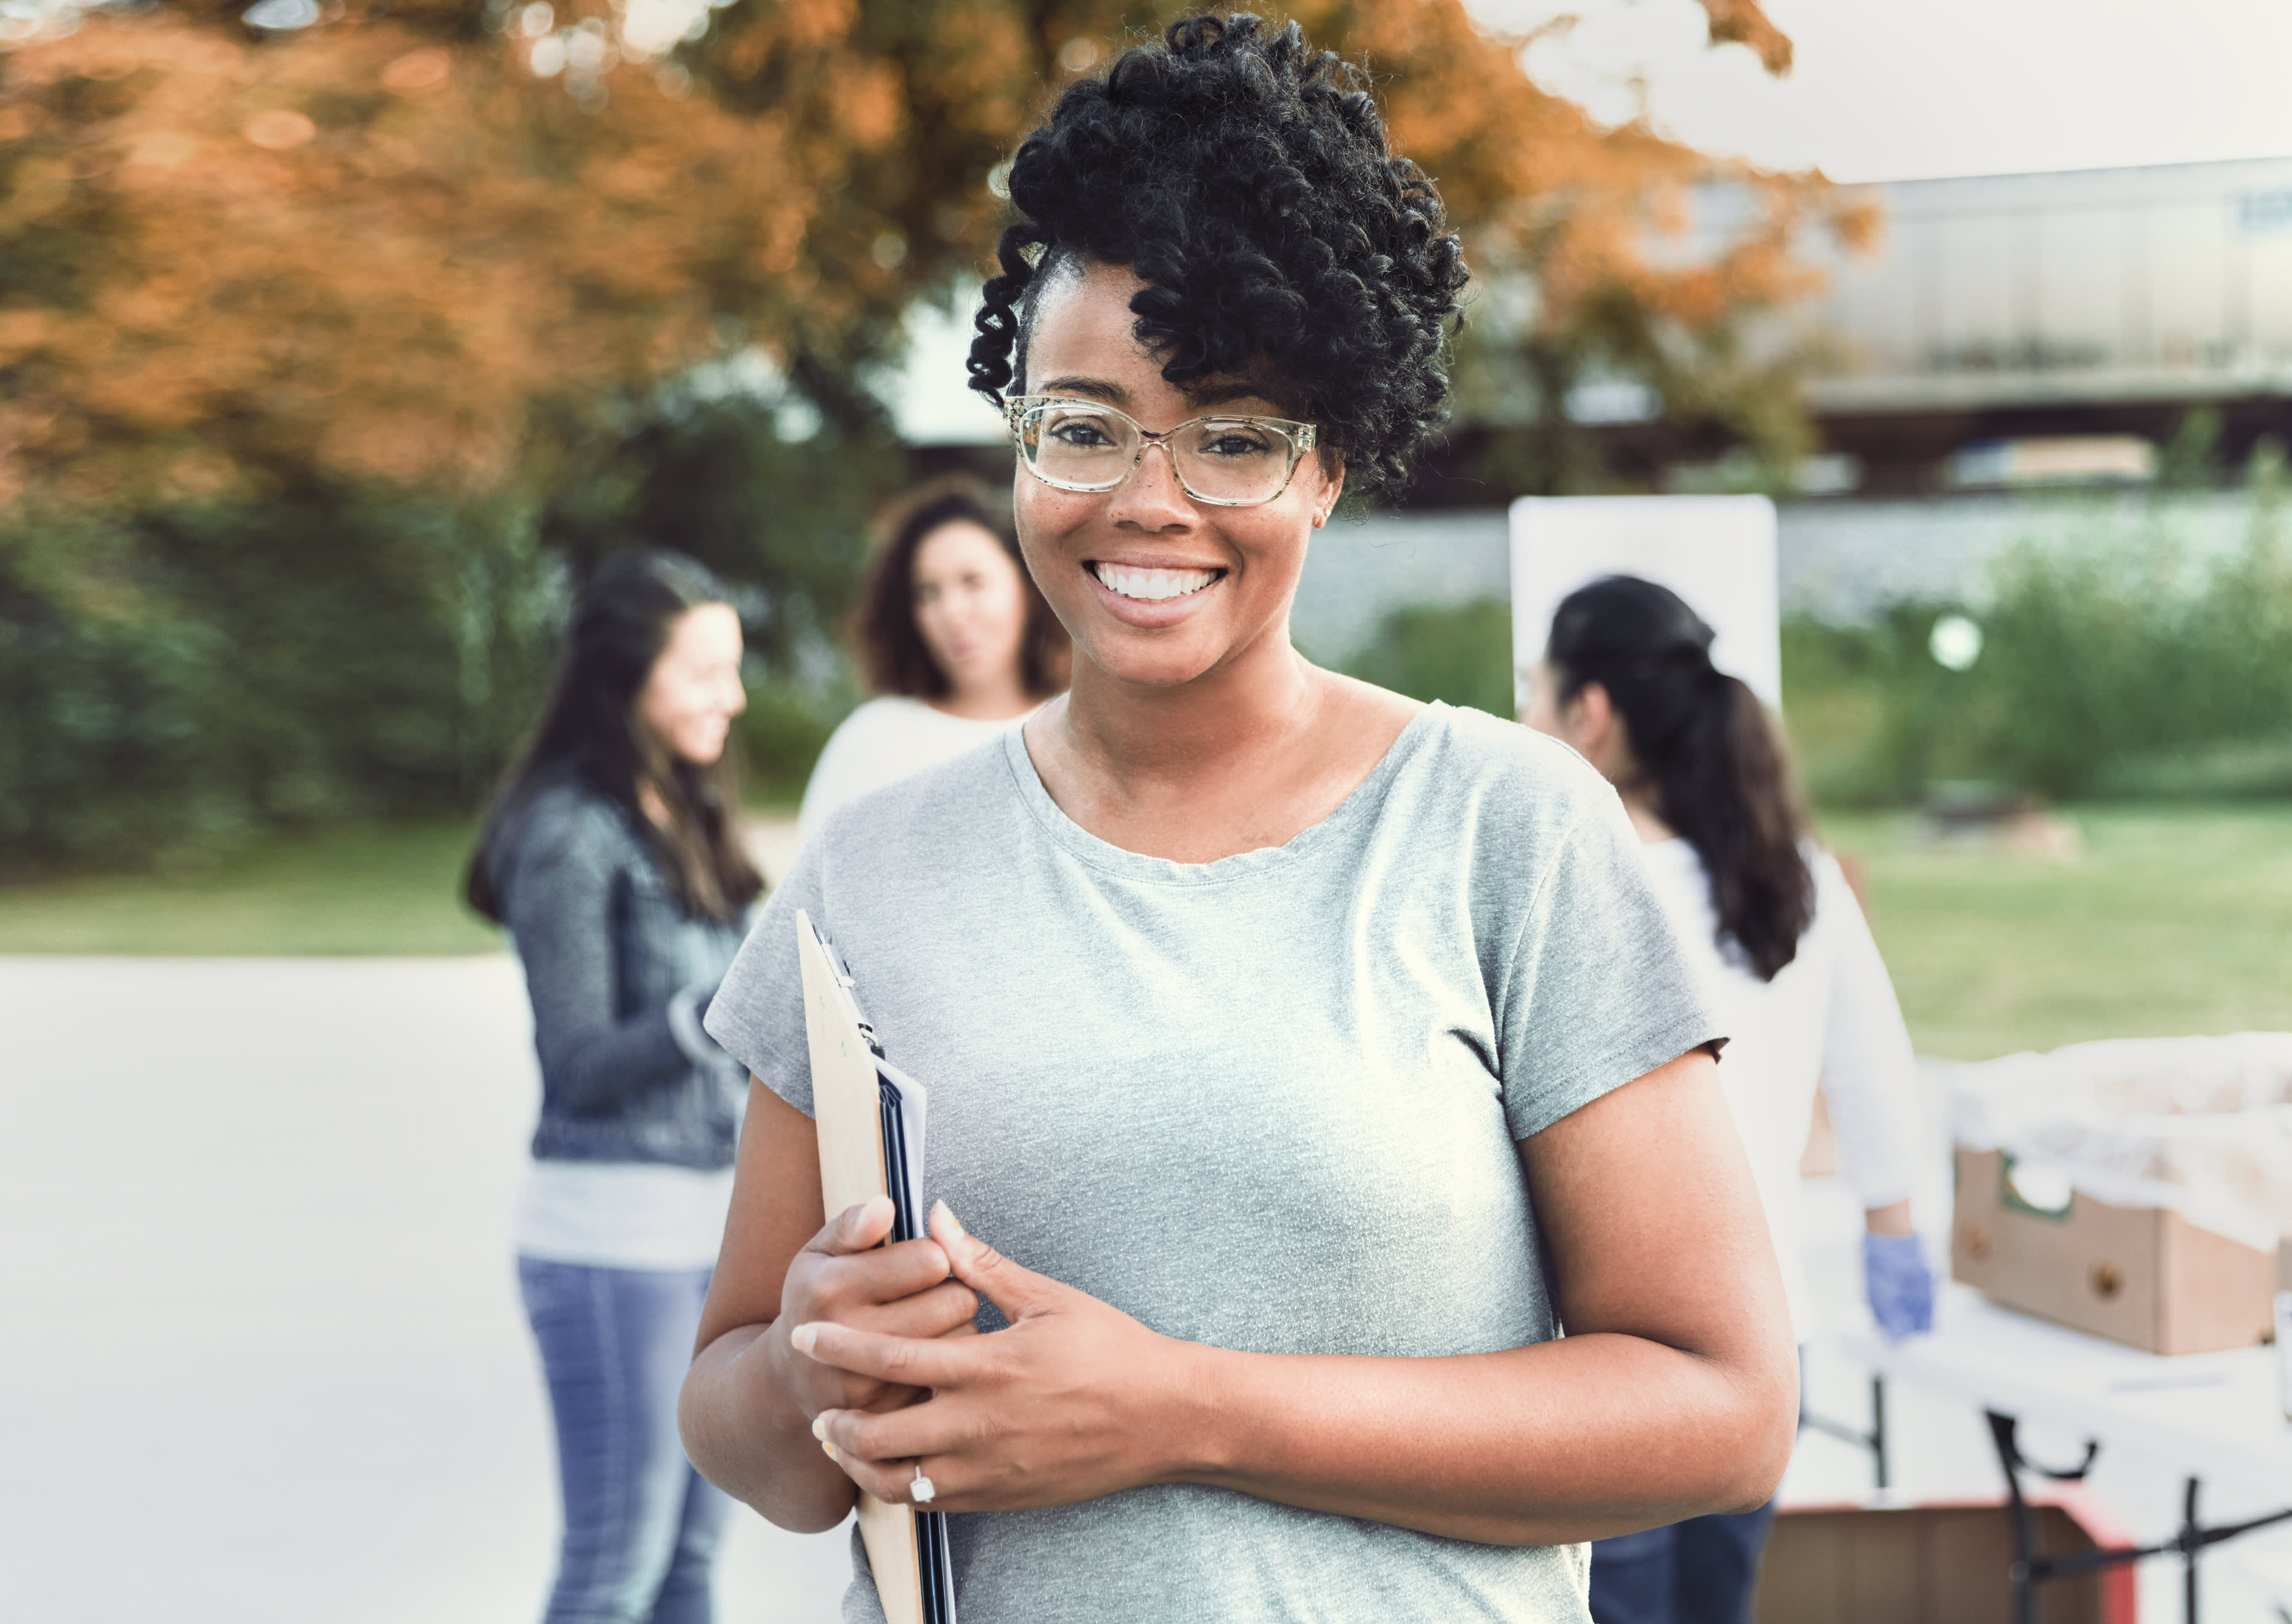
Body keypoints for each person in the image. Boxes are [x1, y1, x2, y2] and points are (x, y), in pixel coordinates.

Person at [679, 18, 1796, 1624]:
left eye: (1231, 436)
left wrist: (1179, 1410)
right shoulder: (872, 867)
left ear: (1328, 468)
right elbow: (752, 1439)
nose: (1147, 497)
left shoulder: (1504, 829)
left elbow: (1724, 1406)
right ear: (1016, 438)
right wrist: (805, 1358)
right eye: (1081, 424)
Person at [1519, 574, 1936, 1624]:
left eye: (1535, 693)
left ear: (1592, 713)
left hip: (1602, 1357)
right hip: (1766, 1340)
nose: (1524, 722)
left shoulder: (1567, 883)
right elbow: (1876, 1071)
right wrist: (1894, 1232)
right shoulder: (1792, 873)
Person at [465, 550, 764, 1624]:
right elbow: (579, 1066)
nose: (730, 697)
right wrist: (719, 1010)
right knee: (614, 1573)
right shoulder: (567, 833)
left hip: (706, 1239)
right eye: (702, 672)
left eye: (732, 670)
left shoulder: (683, 810)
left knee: (688, 1570)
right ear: (623, 678)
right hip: (608, 1240)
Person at [795, 480, 1068, 843]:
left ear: (1030, 586)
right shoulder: (874, 739)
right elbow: (812, 890)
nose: (951, 613)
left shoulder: (1083, 733)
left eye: (973, 582)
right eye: (928, 593)